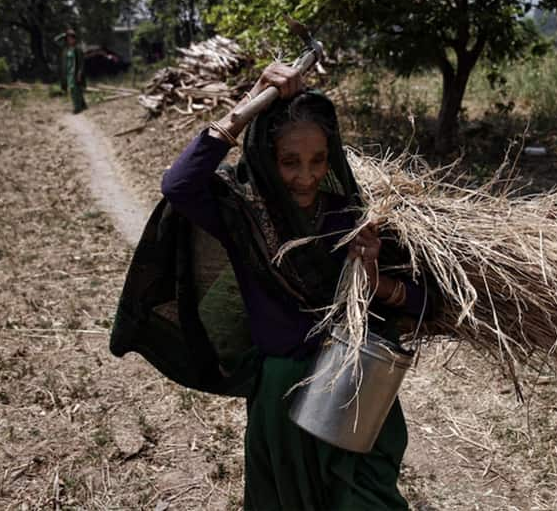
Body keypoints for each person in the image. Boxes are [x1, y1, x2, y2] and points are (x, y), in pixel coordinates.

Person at [159, 62, 426, 510]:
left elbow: (423, 303)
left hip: (353, 392)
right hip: (282, 404)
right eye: (290, 162)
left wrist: (375, 281)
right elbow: (179, 185)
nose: (306, 177)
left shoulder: (352, 215)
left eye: (318, 159)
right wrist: (248, 105)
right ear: (265, 155)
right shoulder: (241, 215)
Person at [54, 28, 87, 113]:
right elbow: (56, 40)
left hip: (75, 72)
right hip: (67, 72)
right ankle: (83, 105)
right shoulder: (66, 48)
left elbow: (81, 62)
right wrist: (64, 35)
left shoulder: (77, 49)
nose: (70, 40)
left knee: (73, 89)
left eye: (71, 38)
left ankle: (77, 108)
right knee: (77, 89)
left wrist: (80, 72)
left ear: (74, 39)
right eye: (68, 38)